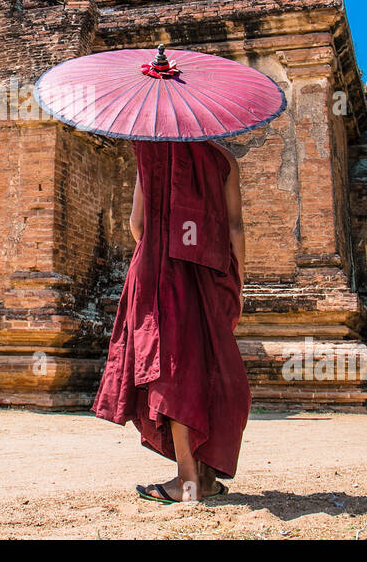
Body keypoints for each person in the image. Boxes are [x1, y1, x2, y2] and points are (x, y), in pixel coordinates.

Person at [91, 137, 251, 503]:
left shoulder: (150, 153)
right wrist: (236, 279)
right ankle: (206, 478)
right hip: (211, 275)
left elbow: (137, 223)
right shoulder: (225, 159)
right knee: (206, 366)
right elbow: (236, 229)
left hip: (160, 273)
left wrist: (161, 247)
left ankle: (187, 480)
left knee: (171, 368)